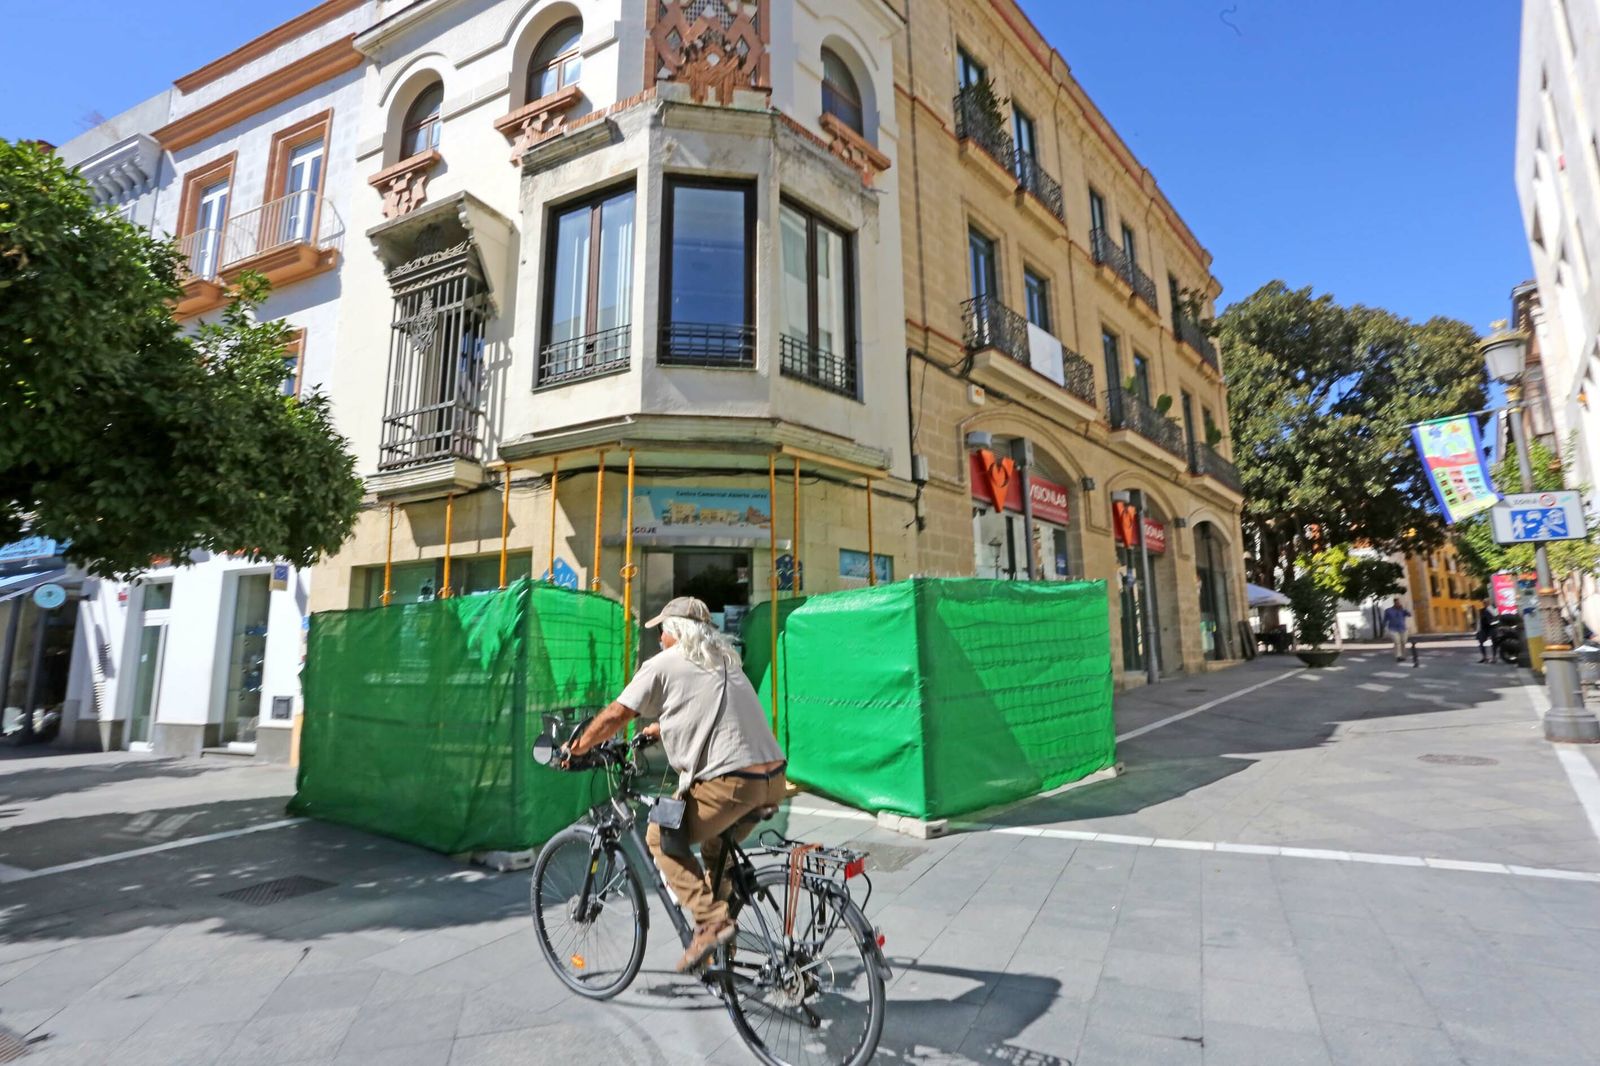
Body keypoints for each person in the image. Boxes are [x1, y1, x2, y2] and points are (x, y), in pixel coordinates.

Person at [561, 596, 787, 974]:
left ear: (677, 631)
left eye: (662, 632)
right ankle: (722, 950)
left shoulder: (665, 662)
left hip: (731, 785)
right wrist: (658, 729)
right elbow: (705, 710)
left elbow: (618, 713)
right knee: (716, 849)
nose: (659, 640)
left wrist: (577, 746)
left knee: (661, 836)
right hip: (772, 780)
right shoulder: (725, 662)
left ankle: (711, 923)